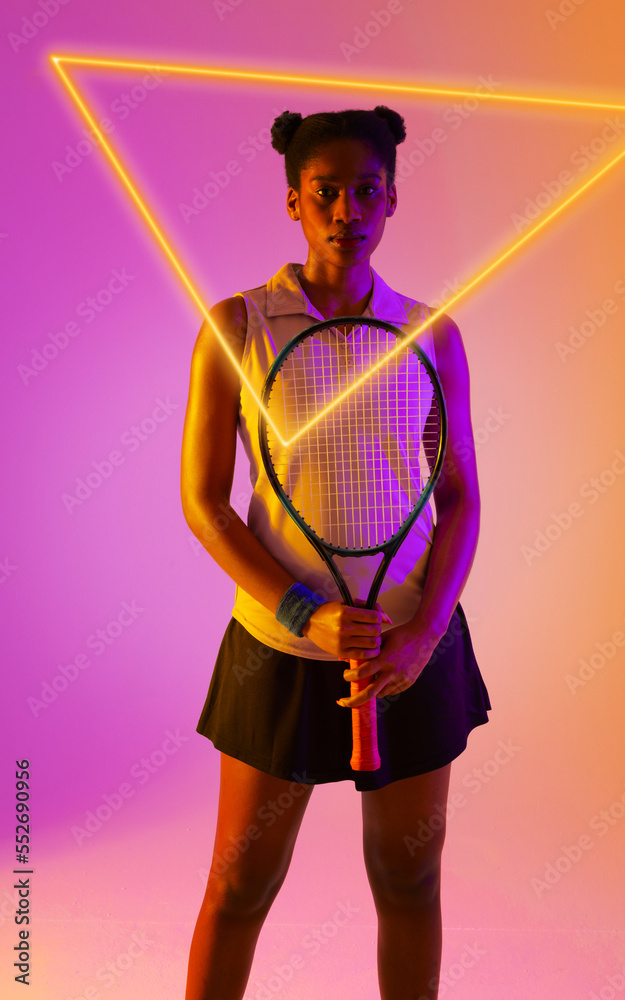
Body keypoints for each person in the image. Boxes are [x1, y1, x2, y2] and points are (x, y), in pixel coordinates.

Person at [180, 105, 491, 1000]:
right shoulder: (237, 327)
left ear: (391, 199)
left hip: (409, 653)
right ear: (293, 203)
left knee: (409, 881)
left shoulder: (432, 335)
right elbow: (205, 506)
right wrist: (300, 612)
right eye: (326, 194)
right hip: (277, 654)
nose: (346, 211)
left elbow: (461, 496)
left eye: (366, 192)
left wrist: (422, 632)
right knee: (240, 887)